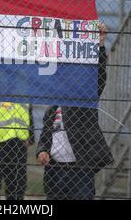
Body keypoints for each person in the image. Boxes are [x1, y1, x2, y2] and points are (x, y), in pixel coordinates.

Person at [36, 22, 114, 200]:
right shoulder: (53, 106)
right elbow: (46, 134)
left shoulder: (83, 99)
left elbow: (99, 77)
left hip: (79, 170)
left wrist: (100, 46)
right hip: (55, 171)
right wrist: (42, 151)